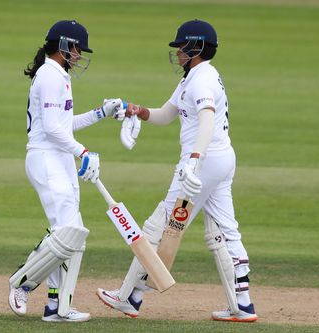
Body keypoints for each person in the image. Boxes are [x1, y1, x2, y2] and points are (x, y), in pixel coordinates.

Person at [96, 19, 258, 322]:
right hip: (219, 161)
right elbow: (164, 115)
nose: (178, 53)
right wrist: (136, 110)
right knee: (224, 230)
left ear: (195, 48)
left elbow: (207, 118)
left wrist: (194, 160)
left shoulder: (201, 80)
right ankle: (243, 304)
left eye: (181, 48)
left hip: (202, 164)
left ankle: (130, 296)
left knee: (161, 225)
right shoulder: (193, 78)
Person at [7, 19, 125, 323]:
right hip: (46, 159)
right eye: (76, 49)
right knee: (66, 233)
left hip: (59, 159)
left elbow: (63, 126)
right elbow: (50, 129)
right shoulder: (49, 75)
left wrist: (101, 113)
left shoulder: (58, 74)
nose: (80, 55)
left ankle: (57, 307)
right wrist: (83, 152)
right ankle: (22, 282)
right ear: (62, 46)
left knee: (73, 236)